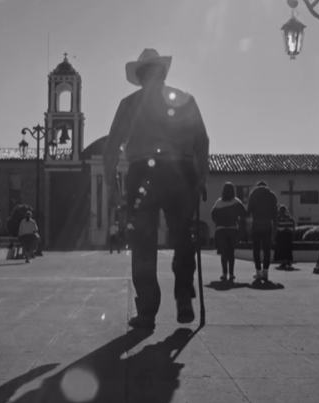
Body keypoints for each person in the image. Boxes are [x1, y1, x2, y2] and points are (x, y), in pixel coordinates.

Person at [103, 48, 209, 330]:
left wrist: (112, 184)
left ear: (140, 76)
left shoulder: (129, 104)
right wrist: (200, 178)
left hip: (142, 174)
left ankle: (148, 311)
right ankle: (183, 296)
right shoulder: (184, 100)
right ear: (162, 73)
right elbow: (201, 142)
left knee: (143, 243)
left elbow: (111, 148)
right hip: (178, 173)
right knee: (182, 237)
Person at [211, 182, 247, 282]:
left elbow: (213, 215)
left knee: (224, 252)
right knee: (231, 252)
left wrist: (219, 222)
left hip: (221, 229)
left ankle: (224, 273)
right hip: (232, 228)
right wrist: (239, 223)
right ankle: (231, 274)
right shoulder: (236, 202)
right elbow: (244, 214)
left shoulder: (218, 202)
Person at [247, 181, 278, 282]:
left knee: (256, 249)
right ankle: (265, 272)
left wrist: (248, 224)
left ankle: (258, 271)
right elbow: (274, 214)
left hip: (256, 225)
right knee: (267, 249)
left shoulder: (252, 194)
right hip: (267, 225)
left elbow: (248, 211)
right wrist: (275, 228)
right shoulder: (272, 195)